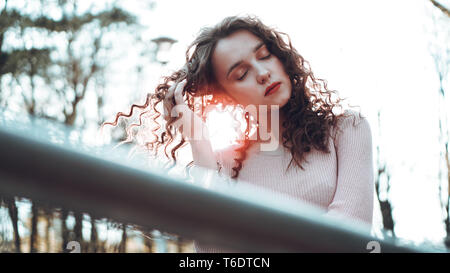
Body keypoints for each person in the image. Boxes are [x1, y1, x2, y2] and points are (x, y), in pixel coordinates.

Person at [103, 15, 374, 253]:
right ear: (227, 97)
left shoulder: (347, 129)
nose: (262, 73)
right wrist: (200, 144)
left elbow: (348, 235)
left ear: (281, 57)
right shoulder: (227, 164)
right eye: (241, 73)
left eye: (265, 55)